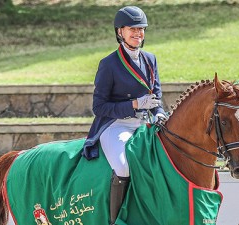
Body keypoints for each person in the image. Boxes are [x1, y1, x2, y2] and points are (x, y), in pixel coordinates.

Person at [82, 6, 167, 225]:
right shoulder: (109, 64)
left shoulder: (150, 59)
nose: (138, 33)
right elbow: (99, 107)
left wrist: (158, 113)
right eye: (133, 29)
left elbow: (156, 94)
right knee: (122, 166)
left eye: (142, 29)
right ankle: (115, 220)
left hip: (145, 125)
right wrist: (135, 104)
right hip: (116, 125)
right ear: (120, 32)